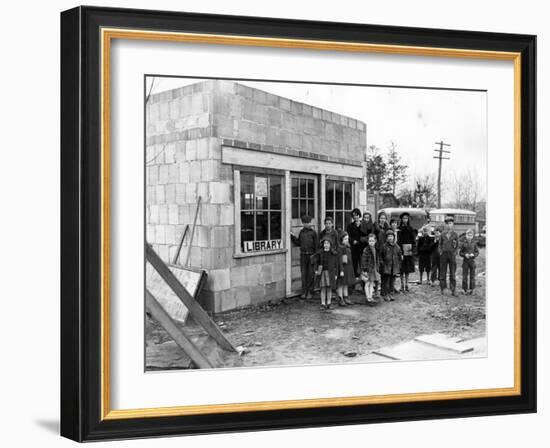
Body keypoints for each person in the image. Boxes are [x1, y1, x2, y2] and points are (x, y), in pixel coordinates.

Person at [290, 215, 318, 299]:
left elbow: (316, 246)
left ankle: (310, 291)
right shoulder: (301, 232)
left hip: (311, 255)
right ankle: (304, 291)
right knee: (304, 274)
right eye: (305, 223)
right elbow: (298, 243)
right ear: (303, 223)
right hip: (303, 255)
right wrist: (292, 236)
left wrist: (316, 257)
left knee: (310, 274)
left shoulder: (313, 233)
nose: (307, 224)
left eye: (309, 222)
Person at [312, 237, 343, 311]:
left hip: (330, 273)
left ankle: (329, 303)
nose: (326, 245)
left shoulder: (333, 253)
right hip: (322, 272)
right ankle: (323, 303)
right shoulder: (320, 253)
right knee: (323, 288)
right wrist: (316, 270)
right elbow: (316, 262)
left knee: (329, 288)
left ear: (330, 245)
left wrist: (335, 274)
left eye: (328, 243)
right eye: (325, 243)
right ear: (323, 244)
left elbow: (336, 265)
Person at [439, 215, 459, 296]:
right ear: (445, 225)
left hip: (451, 254)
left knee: (452, 273)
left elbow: (457, 245)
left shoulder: (455, 234)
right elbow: (439, 244)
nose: (449, 225)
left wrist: (455, 252)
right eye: (447, 223)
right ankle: (443, 289)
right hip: (444, 254)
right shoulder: (442, 234)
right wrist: (440, 251)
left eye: (450, 223)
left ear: (453, 224)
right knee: (442, 272)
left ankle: (453, 289)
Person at [380, 229, 402, 302]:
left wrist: (398, 264)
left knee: (392, 282)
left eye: (391, 236)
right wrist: (382, 263)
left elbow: (399, 256)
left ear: (394, 237)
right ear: (386, 237)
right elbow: (380, 256)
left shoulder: (397, 247)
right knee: (386, 281)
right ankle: (385, 294)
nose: (390, 238)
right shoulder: (384, 246)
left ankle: (391, 293)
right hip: (386, 267)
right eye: (389, 236)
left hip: (394, 267)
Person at [347, 208, 368, 280]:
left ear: (359, 215)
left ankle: (363, 283)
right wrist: (353, 241)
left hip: (363, 247)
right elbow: (348, 236)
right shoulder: (350, 226)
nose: (355, 217)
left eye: (357, 215)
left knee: (363, 264)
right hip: (354, 248)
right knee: (354, 264)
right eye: (353, 216)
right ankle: (354, 282)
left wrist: (363, 240)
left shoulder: (364, 224)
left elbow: (367, 235)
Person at [398, 212, 416, 292]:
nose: (405, 220)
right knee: (401, 269)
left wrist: (413, 249)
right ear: (401, 219)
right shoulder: (399, 229)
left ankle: (406, 284)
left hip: (408, 250)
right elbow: (398, 240)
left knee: (407, 269)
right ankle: (401, 284)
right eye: (404, 218)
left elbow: (413, 240)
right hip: (401, 249)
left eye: (406, 218)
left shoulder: (410, 228)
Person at [360, 233, 380, 306]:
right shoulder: (366, 250)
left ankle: (371, 296)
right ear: (368, 241)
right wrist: (364, 270)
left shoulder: (375, 249)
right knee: (367, 283)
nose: (371, 242)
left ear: (375, 241)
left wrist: (377, 268)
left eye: (372, 241)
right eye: (370, 241)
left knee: (372, 283)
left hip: (373, 269)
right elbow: (363, 261)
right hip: (368, 269)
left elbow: (376, 259)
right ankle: (367, 297)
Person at [336, 232, 355, 306]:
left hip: (348, 268)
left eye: (347, 239)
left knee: (346, 283)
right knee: (341, 283)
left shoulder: (348, 247)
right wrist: (341, 270)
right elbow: (340, 260)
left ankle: (346, 296)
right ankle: (340, 298)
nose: (347, 240)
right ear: (341, 240)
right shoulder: (340, 249)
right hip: (342, 268)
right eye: (345, 239)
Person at [459, 228, 479, 294]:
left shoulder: (474, 243)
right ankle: (464, 289)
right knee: (464, 276)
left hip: (472, 262)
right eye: (468, 235)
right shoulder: (463, 243)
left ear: (472, 236)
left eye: (471, 235)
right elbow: (460, 253)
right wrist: (465, 255)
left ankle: (471, 289)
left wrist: (473, 254)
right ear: (466, 235)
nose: (469, 237)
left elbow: (477, 252)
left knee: (472, 276)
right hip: (465, 262)